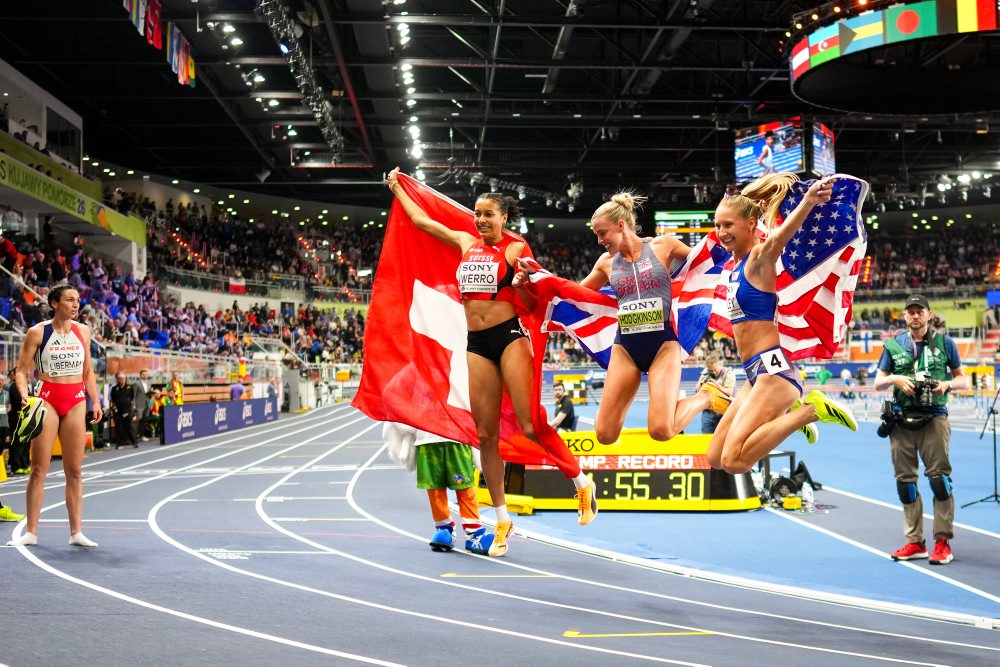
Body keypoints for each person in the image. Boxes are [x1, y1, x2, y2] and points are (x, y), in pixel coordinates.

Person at [386, 167, 597, 558]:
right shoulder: (465, 242)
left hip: (510, 337)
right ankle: (501, 519)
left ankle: (581, 482)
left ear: (504, 217)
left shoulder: (517, 250)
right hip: (477, 343)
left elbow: (532, 303)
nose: (481, 220)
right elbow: (421, 222)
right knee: (485, 436)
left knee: (530, 424)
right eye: (477, 213)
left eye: (488, 214)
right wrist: (398, 187)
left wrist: (520, 286)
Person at [706, 174, 858, 474]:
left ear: (751, 224)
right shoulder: (735, 267)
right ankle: (792, 412)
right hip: (754, 374)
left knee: (734, 462)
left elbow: (778, 239)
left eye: (728, 225)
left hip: (773, 374)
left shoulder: (758, 259)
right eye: (718, 225)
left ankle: (811, 410)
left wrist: (808, 201)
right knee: (714, 457)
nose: (721, 232)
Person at [550, 191, 727, 446]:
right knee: (605, 435)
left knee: (661, 430)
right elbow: (574, 295)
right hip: (626, 348)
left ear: (621, 225)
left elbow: (704, 265)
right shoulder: (605, 263)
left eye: (602, 233)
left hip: (663, 345)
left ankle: (706, 396)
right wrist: (540, 281)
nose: (599, 240)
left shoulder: (662, 246)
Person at [7, 285, 103, 548]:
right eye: (70, 300)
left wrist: (95, 400)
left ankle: (76, 532)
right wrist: (23, 393)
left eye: (77, 300)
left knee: (75, 469)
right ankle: (31, 532)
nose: (75, 304)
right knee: (39, 468)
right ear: (54, 303)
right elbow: (21, 370)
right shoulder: (37, 332)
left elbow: (88, 371)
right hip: (47, 399)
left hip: (75, 399)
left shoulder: (83, 331)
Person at [873, 294, 965, 565]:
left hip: (934, 419)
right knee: (905, 484)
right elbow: (878, 382)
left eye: (920, 311)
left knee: (939, 480)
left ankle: (942, 542)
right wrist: (896, 378)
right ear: (904, 316)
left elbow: (962, 379)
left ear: (929, 315)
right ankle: (915, 542)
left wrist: (946, 384)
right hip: (901, 421)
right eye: (910, 311)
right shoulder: (893, 345)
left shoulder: (945, 343)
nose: (915, 315)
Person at [382, 422, 496, 555]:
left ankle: (474, 532)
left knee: (465, 488)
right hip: (428, 440)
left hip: (458, 437)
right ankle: (444, 527)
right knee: (435, 490)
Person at [696, 354, 736, 434]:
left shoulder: (728, 373)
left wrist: (716, 385)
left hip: (724, 411)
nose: (714, 372)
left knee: (723, 436)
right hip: (709, 411)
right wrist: (702, 381)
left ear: (719, 364)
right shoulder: (706, 373)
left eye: (715, 370)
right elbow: (698, 390)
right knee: (706, 436)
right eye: (711, 370)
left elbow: (730, 392)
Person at [109, 371, 138, 449]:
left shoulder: (130, 387)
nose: (122, 380)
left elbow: (132, 397)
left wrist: (131, 408)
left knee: (129, 427)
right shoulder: (114, 388)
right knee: (119, 427)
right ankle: (119, 443)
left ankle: (134, 442)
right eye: (120, 378)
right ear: (118, 379)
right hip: (118, 411)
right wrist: (115, 408)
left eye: (124, 378)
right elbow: (112, 399)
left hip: (128, 410)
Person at [135, 369, 152, 439]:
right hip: (139, 405)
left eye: (146, 374)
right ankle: (135, 436)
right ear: (140, 375)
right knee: (138, 421)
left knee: (145, 421)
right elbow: (134, 395)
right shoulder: (136, 384)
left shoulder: (149, 383)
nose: (145, 376)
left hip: (147, 404)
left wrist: (151, 394)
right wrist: (134, 406)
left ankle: (142, 435)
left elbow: (148, 395)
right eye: (143, 374)